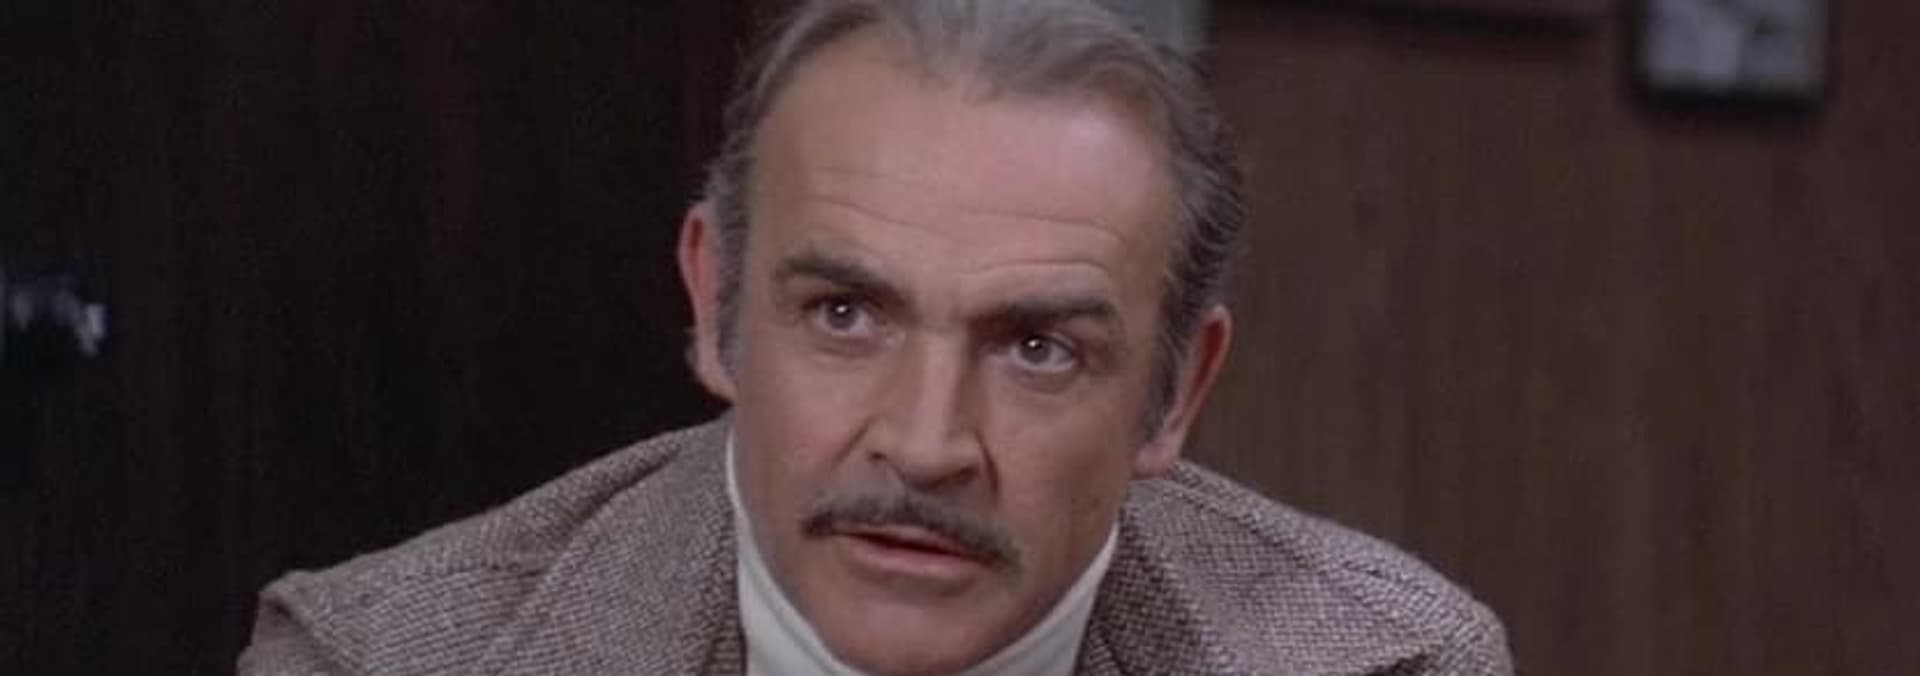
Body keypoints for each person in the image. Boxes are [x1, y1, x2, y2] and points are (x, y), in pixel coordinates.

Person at [239, 1, 1513, 673]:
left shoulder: (1385, 664)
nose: (925, 442)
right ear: (716, 305)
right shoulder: (381, 659)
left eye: (1037, 348)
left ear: (1175, 391)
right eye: (845, 315)